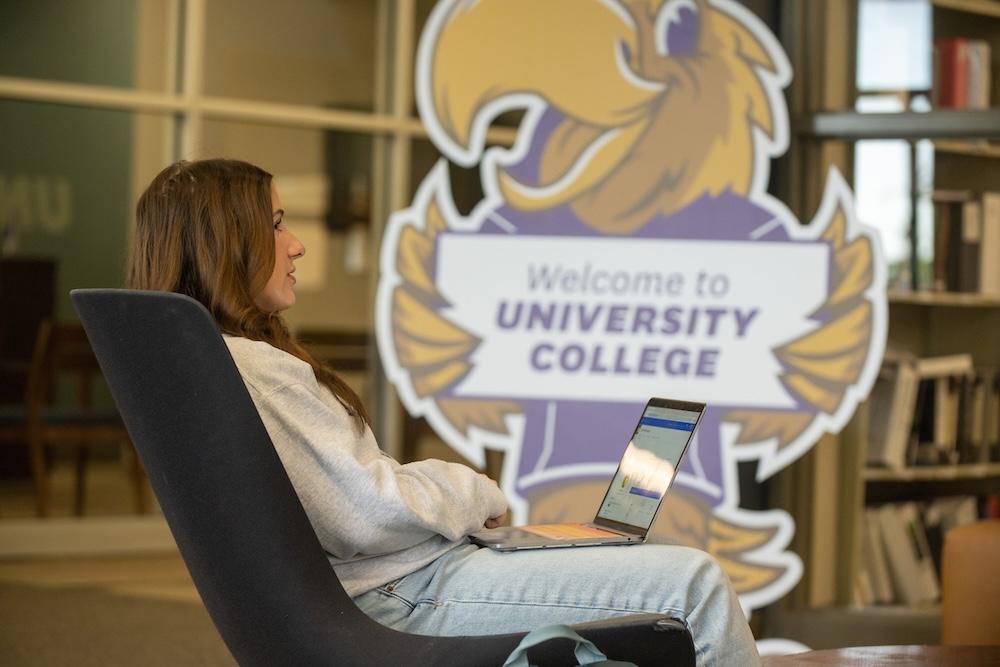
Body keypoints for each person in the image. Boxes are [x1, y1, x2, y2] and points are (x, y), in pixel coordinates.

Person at [127, 158, 760, 665]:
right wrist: (469, 488)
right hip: (398, 594)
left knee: (634, 564)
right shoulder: (258, 369)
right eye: (276, 222)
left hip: (402, 577)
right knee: (693, 583)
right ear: (224, 242)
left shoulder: (206, 364)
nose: (295, 245)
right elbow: (368, 516)